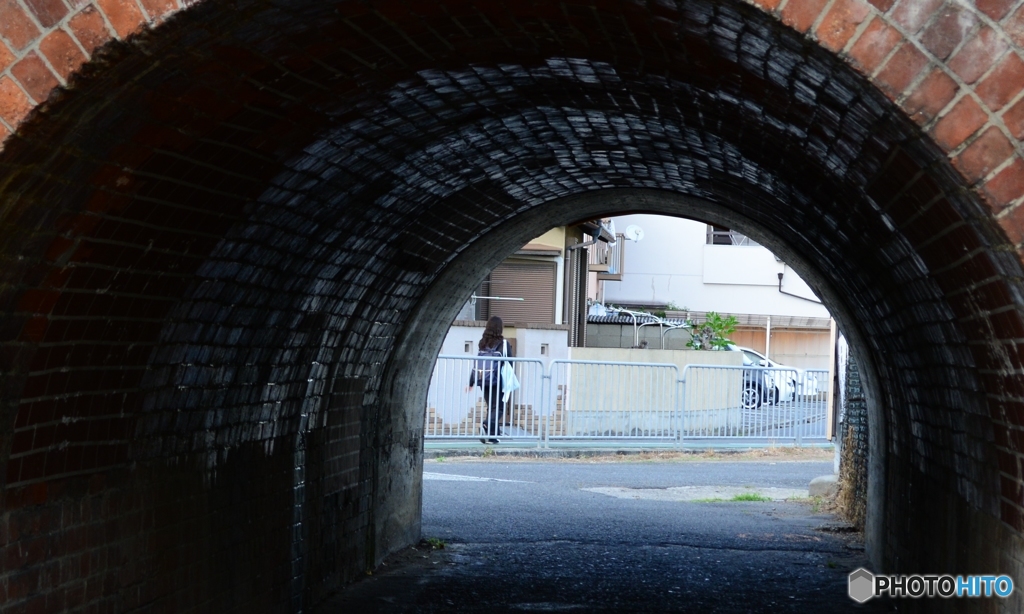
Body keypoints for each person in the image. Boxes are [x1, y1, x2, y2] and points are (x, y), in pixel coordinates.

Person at [466, 316, 513, 444]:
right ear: (500, 328)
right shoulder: (504, 344)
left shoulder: (483, 343)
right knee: (499, 408)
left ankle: (493, 437)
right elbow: (509, 364)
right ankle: (486, 425)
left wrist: (471, 382)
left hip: (484, 380)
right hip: (498, 380)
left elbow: (478, 364)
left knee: (492, 407)